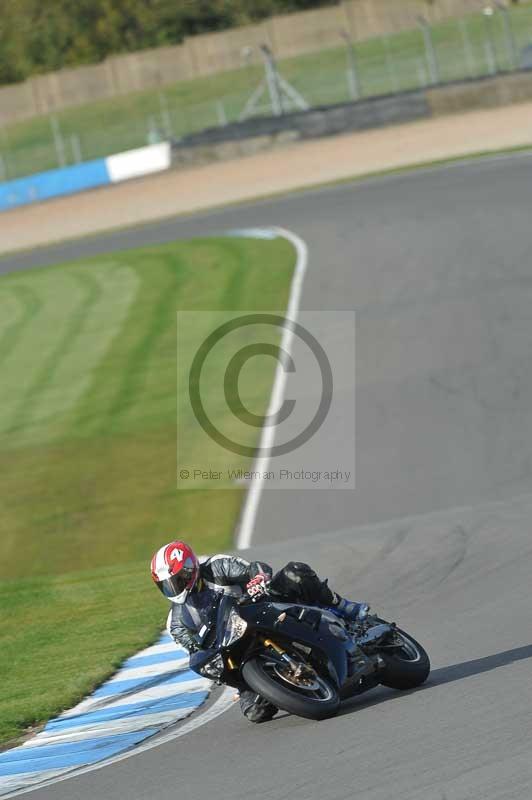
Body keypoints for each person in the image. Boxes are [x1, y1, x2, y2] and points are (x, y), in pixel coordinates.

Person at [150, 540, 367, 723]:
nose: (174, 588)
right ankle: (288, 683)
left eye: (177, 580)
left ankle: (345, 608)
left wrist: (257, 579)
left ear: (190, 569)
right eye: (167, 585)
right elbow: (195, 650)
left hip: (261, 608)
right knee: (256, 712)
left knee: (295, 573)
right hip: (232, 647)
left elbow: (253, 568)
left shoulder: (216, 567)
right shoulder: (176, 623)